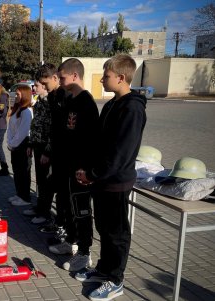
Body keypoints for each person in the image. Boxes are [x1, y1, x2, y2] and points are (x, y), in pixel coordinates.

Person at [75, 54, 147, 301]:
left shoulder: (132, 108)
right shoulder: (111, 104)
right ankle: (104, 270)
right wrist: (88, 172)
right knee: (103, 228)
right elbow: (99, 144)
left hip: (116, 181)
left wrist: (94, 174)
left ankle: (116, 280)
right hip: (101, 180)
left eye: (106, 76)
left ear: (121, 77)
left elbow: (120, 153)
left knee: (117, 233)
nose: (102, 80)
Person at [46, 58, 99, 273]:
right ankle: (69, 241)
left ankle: (84, 254)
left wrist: (86, 169)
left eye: (63, 78)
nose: (60, 82)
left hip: (81, 170)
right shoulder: (71, 101)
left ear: (75, 76)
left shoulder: (87, 103)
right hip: (67, 166)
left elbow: (92, 141)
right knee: (67, 207)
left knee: (81, 211)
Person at [36, 63, 71, 241]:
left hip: (64, 155)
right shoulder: (53, 96)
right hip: (55, 152)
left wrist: (48, 151)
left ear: (55, 78)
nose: (44, 87)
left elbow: (62, 129)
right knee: (54, 189)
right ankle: (58, 223)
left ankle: (64, 227)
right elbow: (53, 128)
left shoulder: (66, 97)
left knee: (63, 195)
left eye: (45, 83)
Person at [23, 79, 54, 225]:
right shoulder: (39, 101)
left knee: (46, 182)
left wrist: (47, 152)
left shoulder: (49, 103)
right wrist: (30, 144)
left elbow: (51, 129)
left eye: (36, 85)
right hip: (37, 145)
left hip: (45, 147)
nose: (34, 88)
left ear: (44, 86)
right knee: (40, 180)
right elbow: (35, 125)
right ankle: (39, 207)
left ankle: (45, 212)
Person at [7, 85, 33, 206]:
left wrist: (12, 144)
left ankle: (25, 197)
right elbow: (11, 128)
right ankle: (19, 194)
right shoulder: (17, 109)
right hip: (14, 145)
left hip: (22, 144)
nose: (16, 96)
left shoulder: (27, 111)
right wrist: (9, 142)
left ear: (25, 95)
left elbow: (23, 131)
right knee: (17, 170)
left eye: (18, 94)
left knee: (23, 172)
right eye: (15, 94)